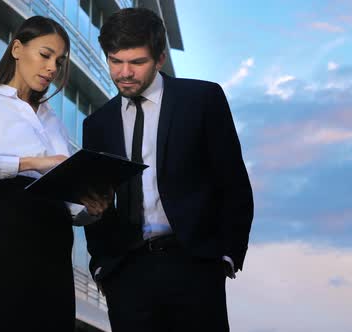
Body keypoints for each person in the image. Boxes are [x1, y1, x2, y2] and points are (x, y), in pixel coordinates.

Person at [81, 8, 254, 332]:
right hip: (126, 273)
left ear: (160, 59)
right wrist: (103, 266)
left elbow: (232, 183)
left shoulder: (202, 99)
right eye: (115, 61)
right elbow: (98, 200)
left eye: (137, 62)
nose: (124, 72)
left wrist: (226, 256)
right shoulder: (97, 124)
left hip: (194, 266)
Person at [0, 16, 107, 331]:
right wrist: (30, 162)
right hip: (9, 230)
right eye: (45, 55)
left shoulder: (51, 118)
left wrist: (88, 211)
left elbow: (65, 198)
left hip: (55, 239)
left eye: (59, 61)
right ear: (17, 48)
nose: (53, 67)